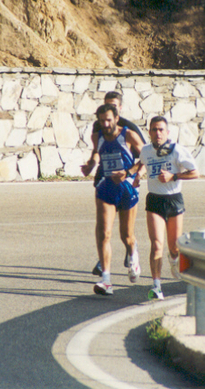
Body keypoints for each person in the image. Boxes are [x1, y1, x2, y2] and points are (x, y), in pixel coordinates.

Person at [131, 116, 199, 300]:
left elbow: (195, 173)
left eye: (161, 129)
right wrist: (137, 175)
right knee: (156, 245)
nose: (158, 133)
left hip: (174, 200)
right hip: (154, 201)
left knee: (174, 247)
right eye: (154, 129)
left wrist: (173, 176)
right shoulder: (146, 150)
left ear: (167, 132)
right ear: (150, 132)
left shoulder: (177, 151)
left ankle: (174, 259)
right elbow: (144, 163)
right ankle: (156, 286)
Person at [81, 103, 144, 296]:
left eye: (108, 120)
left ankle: (133, 253)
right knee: (104, 233)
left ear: (116, 118)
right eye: (102, 121)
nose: (105, 124)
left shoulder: (128, 135)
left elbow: (147, 158)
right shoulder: (97, 136)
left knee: (126, 235)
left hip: (126, 188)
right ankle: (106, 280)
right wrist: (91, 164)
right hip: (106, 188)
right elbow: (97, 152)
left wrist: (130, 173)